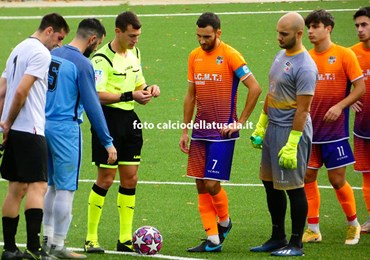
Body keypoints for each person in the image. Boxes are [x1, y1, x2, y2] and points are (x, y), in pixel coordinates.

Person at [179, 12, 261, 253]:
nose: (202, 41)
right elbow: (190, 96)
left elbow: (254, 88)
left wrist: (240, 122)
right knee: (200, 184)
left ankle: (224, 221)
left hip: (223, 132)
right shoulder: (194, 56)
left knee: (212, 184)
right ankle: (213, 240)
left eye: (206, 37)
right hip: (200, 131)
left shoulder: (230, 55)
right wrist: (185, 130)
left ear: (218, 33)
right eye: (198, 36)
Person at [84, 11, 160, 253]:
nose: (135, 40)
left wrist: (148, 89)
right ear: (118, 31)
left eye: (137, 35)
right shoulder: (100, 60)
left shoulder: (134, 52)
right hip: (107, 120)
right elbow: (96, 95)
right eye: (131, 35)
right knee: (105, 179)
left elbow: (138, 83)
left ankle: (125, 239)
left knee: (131, 178)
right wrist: (130, 96)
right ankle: (91, 238)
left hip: (130, 120)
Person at [41, 18, 117, 259]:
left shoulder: (52, 53)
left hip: (43, 125)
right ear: (93, 39)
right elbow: (93, 105)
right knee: (65, 188)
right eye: (99, 43)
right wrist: (107, 141)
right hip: (65, 130)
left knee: (51, 185)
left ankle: (46, 241)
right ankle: (58, 245)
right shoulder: (82, 64)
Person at [0, 13, 69, 260]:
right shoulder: (41, 53)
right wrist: (8, 121)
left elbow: (2, 90)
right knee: (38, 186)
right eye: (59, 37)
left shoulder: (17, 49)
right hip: (30, 130)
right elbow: (20, 91)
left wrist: (3, 126)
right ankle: (34, 247)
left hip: (15, 132)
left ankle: (9, 249)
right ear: (49, 30)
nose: (59, 43)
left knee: (15, 188)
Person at [249, 12, 317, 257]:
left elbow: (303, 109)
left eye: (284, 34)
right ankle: (278, 237)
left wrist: (292, 143)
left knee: (295, 187)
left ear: (299, 34)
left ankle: (296, 244)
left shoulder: (306, 66)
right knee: (270, 184)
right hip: (273, 128)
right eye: (278, 32)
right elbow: (272, 91)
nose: (279, 37)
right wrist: (262, 123)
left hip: (291, 131)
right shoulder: (280, 55)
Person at [302, 9, 365, 245]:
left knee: (337, 180)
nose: (310, 31)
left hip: (335, 133)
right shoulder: (305, 57)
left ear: (328, 29)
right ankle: (313, 228)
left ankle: (353, 224)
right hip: (310, 131)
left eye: (315, 26)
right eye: (309, 27)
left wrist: (340, 106)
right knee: (308, 176)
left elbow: (360, 89)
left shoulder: (344, 55)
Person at [350, 7, 370, 233]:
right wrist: (348, 99)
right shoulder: (351, 54)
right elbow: (340, 83)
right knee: (367, 173)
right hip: (363, 127)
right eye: (357, 26)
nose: (359, 30)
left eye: (364, 25)